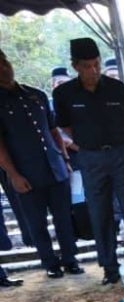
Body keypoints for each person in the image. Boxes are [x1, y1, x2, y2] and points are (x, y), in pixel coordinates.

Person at [53, 37, 124, 285]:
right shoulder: (64, 93)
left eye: (96, 64)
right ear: (75, 66)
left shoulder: (119, 89)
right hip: (91, 157)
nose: (94, 70)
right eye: (87, 66)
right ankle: (109, 266)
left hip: (122, 153)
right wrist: (88, 143)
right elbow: (65, 126)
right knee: (99, 211)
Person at [0, 48, 83, 279]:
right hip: (24, 171)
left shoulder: (35, 95)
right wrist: (14, 175)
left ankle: (70, 259)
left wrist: (65, 159)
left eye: (5, 62)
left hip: (54, 166)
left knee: (64, 217)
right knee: (36, 222)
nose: (4, 68)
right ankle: (50, 263)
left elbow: (53, 130)